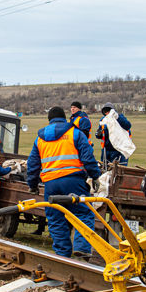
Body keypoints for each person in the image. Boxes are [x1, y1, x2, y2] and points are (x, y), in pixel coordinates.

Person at [26, 106, 102, 259]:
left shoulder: (39, 139)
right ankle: (81, 247)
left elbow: (32, 165)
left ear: (49, 120)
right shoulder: (75, 133)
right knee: (83, 213)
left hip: (51, 185)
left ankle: (62, 254)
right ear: (65, 118)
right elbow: (88, 157)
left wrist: (32, 186)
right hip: (74, 182)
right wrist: (95, 176)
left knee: (55, 217)